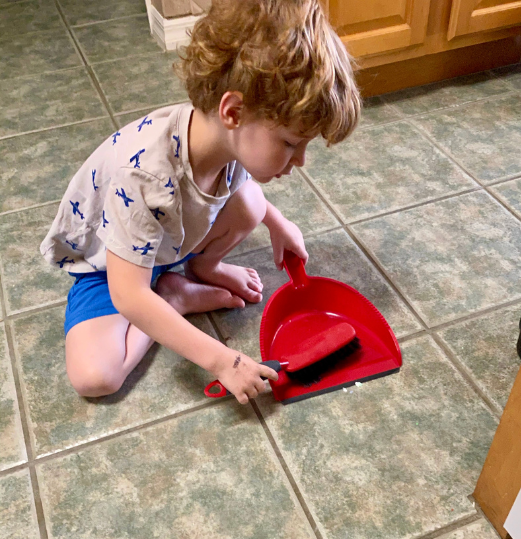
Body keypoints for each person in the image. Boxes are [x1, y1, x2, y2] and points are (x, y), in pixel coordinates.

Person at [40, 0, 361, 404]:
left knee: (252, 203)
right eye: (291, 144)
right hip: (113, 269)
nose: (300, 161)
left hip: (167, 242)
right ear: (233, 111)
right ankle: (174, 297)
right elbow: (129, 295)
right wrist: (222, 360)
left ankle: (200, 268)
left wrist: (277, 224)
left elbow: (248, 195)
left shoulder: (224, 135)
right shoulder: (145, 177)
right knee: (95, 378)